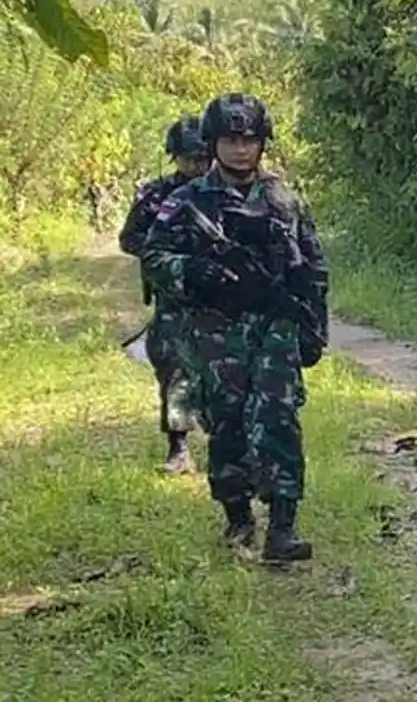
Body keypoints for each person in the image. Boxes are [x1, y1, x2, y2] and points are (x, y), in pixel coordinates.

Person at [141, 92, 329, 562]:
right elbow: (153, 256)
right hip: (215, 328)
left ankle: (283, 526)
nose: (241, 149)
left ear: (263, 144)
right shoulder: (186, 201)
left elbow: (314, 267)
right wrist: (193, 271)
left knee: (278, 417)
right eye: (230, 139)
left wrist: (313, 327)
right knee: (226, 422)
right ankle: (237, 515)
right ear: (214, 142)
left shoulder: (284, 198)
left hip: (275, 326)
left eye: (250, 139)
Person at [117, 115, 211, 475]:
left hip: (220, 296)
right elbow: (130, 238)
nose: (196, 166)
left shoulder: (225, 191)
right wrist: (167, 256)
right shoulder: (157, 196)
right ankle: (179, 447)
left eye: (202, 158)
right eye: (189, 159)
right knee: (174, 368)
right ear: (175, 158)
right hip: (174, 298)